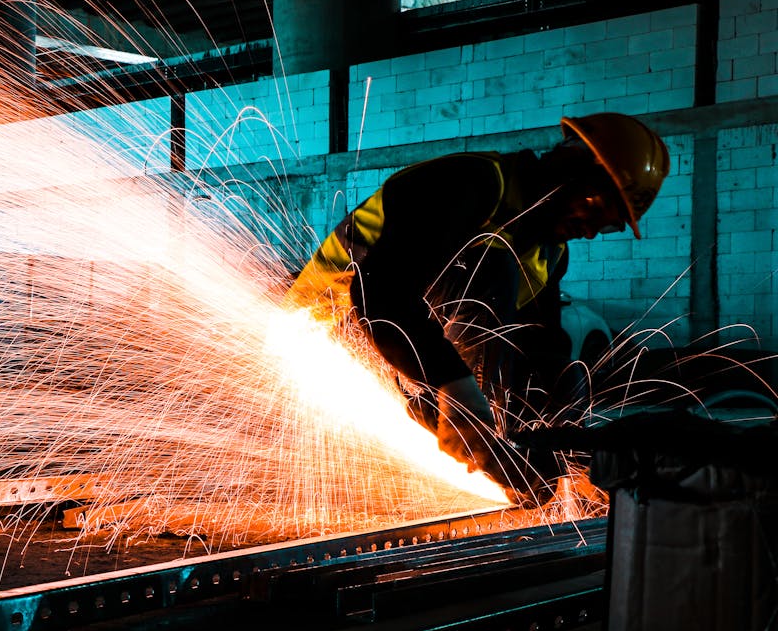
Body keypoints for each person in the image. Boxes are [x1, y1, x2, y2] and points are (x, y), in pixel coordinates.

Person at [286, 112, 670, 502]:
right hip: (329, 333)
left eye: (606, 226)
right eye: (593, 210)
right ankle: (444, 412)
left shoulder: (550, 253)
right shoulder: (471, 183)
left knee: (561, 376)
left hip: (401, 347)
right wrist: (456, 389)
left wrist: (564, 451)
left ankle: (503, 450)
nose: (590, 231)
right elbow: (381, 296)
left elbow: (542, 349)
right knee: (489, 266)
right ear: (570, 168)